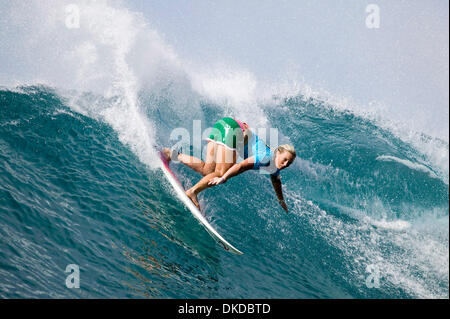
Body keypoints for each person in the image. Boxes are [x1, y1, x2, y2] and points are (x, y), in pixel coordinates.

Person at [162, 117, 296, 213]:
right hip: (233, 130)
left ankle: (170, 154)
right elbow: (241, 166)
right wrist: (223, 178)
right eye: (284, 159)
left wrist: (281, 200)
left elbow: (276, 180)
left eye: (288, 163)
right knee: (220, 173)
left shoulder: (274, 163)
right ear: (277, 152)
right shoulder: (265, 158)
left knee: (207, 170)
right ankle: (192, 192)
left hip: (224, 124)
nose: (285, 164)